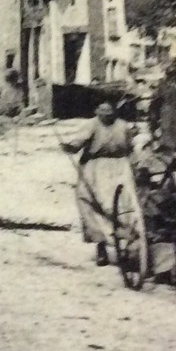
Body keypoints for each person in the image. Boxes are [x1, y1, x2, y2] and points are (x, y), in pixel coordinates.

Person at [60, 101, 140, 269]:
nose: (106, 114)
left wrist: (136, 166)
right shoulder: (91, 125)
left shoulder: (122, 126)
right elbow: (78, 142)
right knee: (89, 201)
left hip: (120, 167)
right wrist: (70, 147)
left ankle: (130, 244)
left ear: (115, 112)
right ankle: (101, 245)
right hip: (94, 168)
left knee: (124, 204)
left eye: (109, 111)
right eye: (102, 110)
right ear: (96, 111)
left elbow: (130, 149)